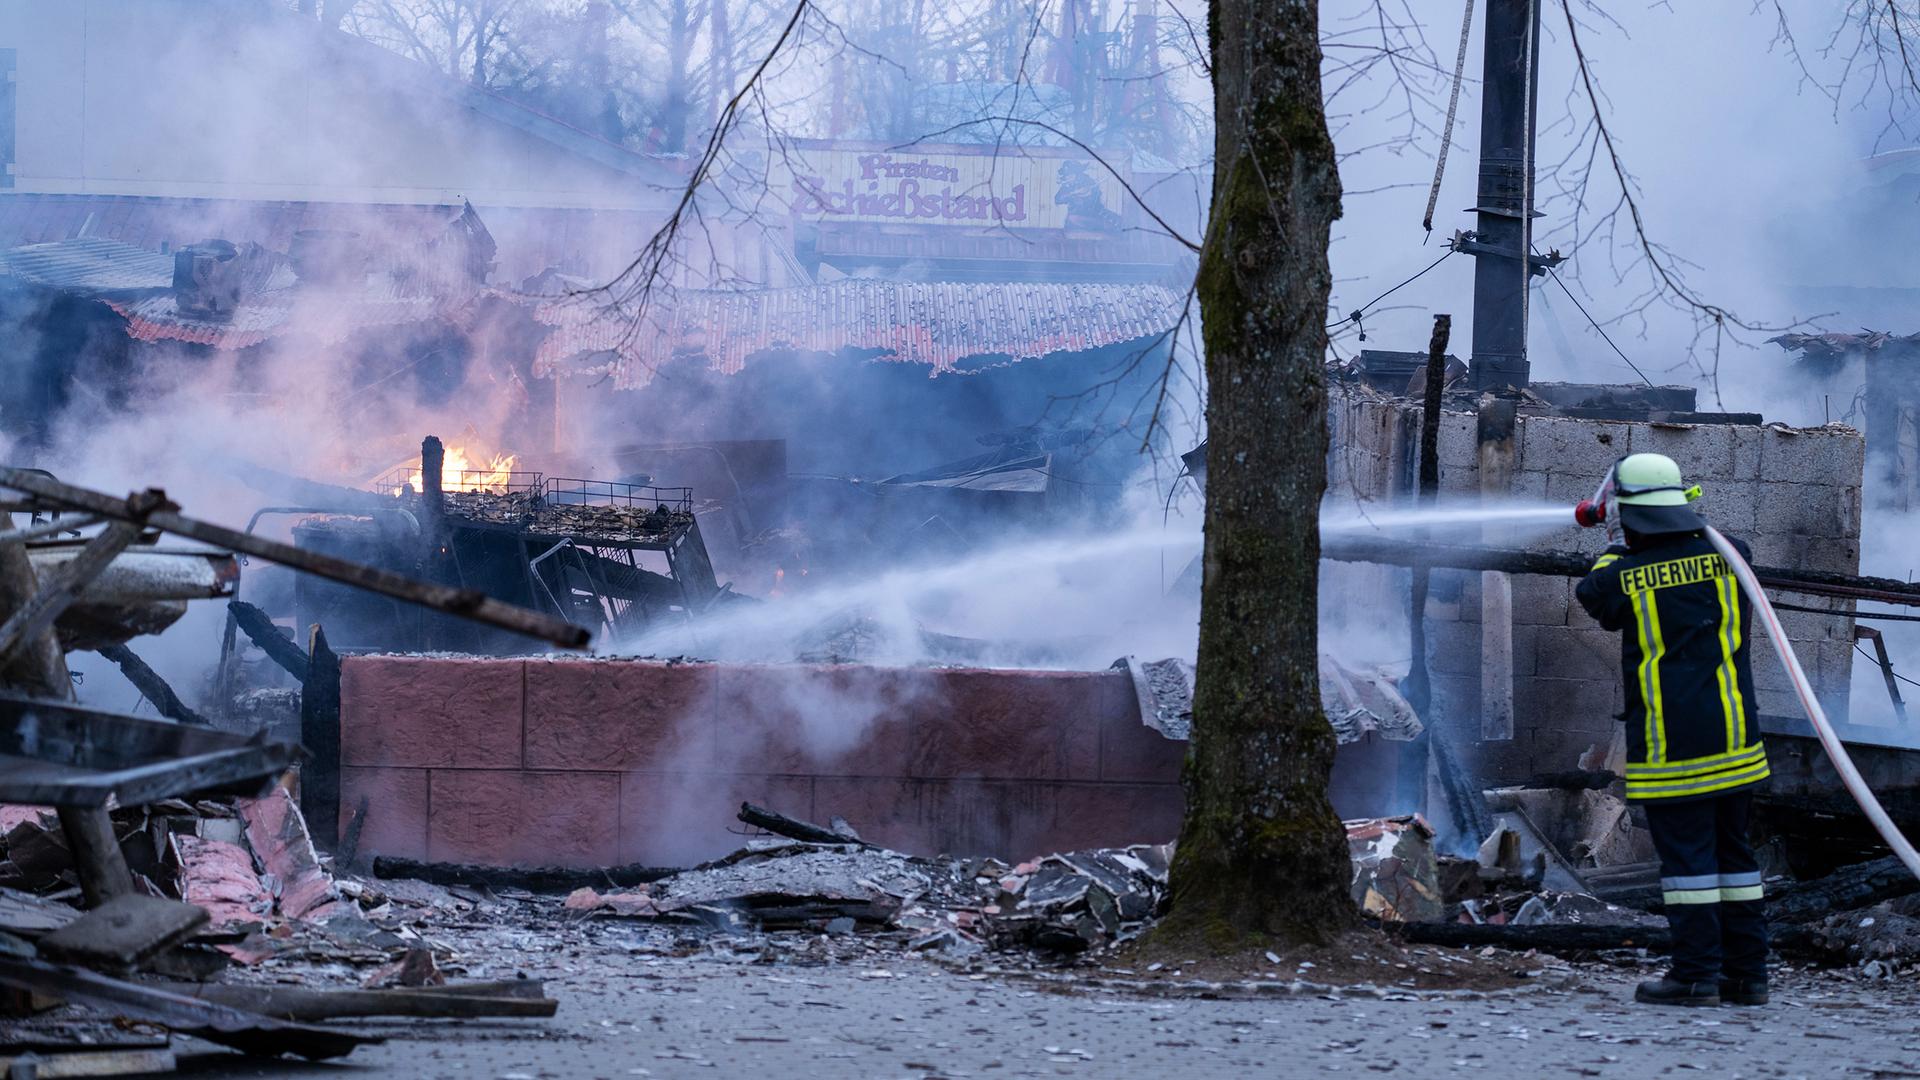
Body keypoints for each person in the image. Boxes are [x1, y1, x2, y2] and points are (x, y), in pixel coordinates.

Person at [1575, 452, 1770, 1008]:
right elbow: (1696, 547)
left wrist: (1615, 539)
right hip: (1736, 739)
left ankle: (1694, 976)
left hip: (1673, 745)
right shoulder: (1734, 554)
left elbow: (1594, 595)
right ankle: (1746, 976)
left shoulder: (1622, 574)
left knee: (1689, 867)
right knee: (1735, 861)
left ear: (1628, 515)